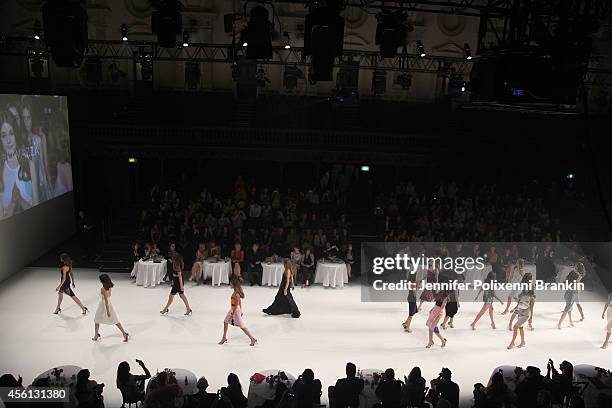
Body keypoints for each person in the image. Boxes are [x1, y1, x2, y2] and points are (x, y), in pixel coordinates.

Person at [1, 109, 39, 219]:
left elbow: (37, 211)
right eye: (3, 135)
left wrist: (21, 201)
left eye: (11, 133)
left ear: (16, 134)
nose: (8, 140)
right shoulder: (1, 170)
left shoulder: (28, 163)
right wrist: (13, 203)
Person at [219, 277, 258, 346]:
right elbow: (239, 302)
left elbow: (236, 305)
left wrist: (232, 315)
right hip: (234, 309)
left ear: (233, 284)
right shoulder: (236, 292)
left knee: (242, 326)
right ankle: (224, 337)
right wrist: (241, 310)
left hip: (234, 311)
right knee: (225, 321)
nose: (229, 284)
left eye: (230, 283)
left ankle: (252, 338)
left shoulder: (236, 294)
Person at [92, 274, 129, 342]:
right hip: (109, 304)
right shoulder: (109, 287)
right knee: (115, 320)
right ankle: (124, 333)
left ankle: (96, 335)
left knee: (97, 320)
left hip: (103, 305)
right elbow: (109, 297)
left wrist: (108, 311)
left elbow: (105, 300)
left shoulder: (103, 289)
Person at [507, 274, 536, 349]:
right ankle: (523, 342)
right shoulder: (522, 294)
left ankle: (512, 343)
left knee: (515, 327)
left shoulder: (531, 297)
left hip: (525, 315)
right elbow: (519, 303)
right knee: (520, 328)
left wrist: (531, 318)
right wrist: (514, 308)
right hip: (520, 312)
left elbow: (531, 308)